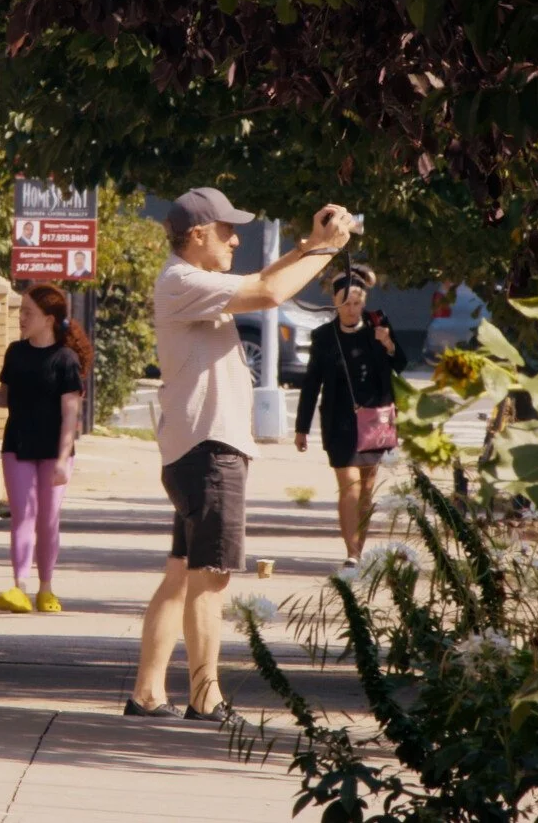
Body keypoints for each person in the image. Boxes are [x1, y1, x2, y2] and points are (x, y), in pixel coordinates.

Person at [126, 188, 355, 724]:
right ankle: (207, 700)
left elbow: (261, 282)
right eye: (227, 229)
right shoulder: (183, 279)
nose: (236, 237)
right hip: (210, 450)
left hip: (195, 448)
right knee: (213, 577)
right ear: (198, 235)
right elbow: (269, 292)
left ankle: (147, 693)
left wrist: (309, 247)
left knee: (181, 573)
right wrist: (325, 250)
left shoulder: (187, 281)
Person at [295, 267, 409, 567]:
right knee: (349, 485)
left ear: (364, 302)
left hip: (375, 415)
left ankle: (360, 544)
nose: (351, 309)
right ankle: (352, 553)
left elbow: (402, 363)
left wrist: (387, 343)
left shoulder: (378, 326)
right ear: (335, 302)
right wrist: (301, 428)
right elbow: (311, 384)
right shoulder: (323, 337)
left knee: (367, 488)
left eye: (357, 303)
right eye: (345, 303)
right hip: (338, 420)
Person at [0, 284, 92, 614]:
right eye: (21, 311)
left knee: (48, 520)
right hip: (17, 445)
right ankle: (19, 587)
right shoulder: (15, 353)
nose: (21, 317)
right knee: (22, 516)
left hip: (54, 451)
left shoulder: (66, 361)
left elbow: (70, 415)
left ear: (49, 319)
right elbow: (4, 397)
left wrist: (63, 459)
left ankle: (46, 588)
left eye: (28, 313)